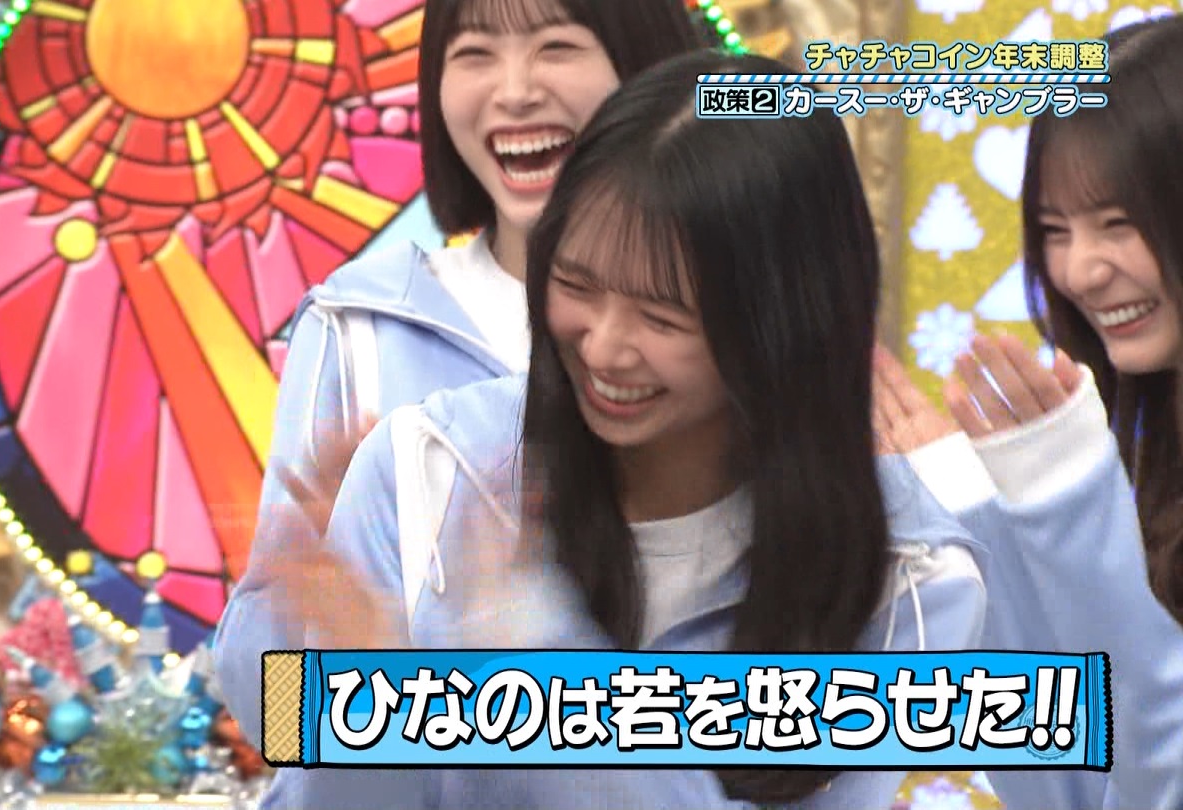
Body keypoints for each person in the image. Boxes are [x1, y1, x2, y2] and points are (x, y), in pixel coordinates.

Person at [299, 49, 987, 809]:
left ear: (784, 322)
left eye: (662, 316)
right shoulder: (428, 466)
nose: (603, 348)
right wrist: (350, 700)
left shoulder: (911, 579)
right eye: (575, 283)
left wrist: (528, 651)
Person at [213, 0, 707, 805]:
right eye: (474, 54)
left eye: (556, 47)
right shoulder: (359, 329)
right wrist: (337, 639)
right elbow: (267, 712)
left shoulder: (733, 334)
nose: (513, 91)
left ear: (646, 71)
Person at [874, 15, 1183, 810]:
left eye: (1119, 223)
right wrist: (978, 522)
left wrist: (1070, 505)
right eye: (1054, 230)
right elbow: (1073, 788)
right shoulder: (1147, 454)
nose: (1080, 269)